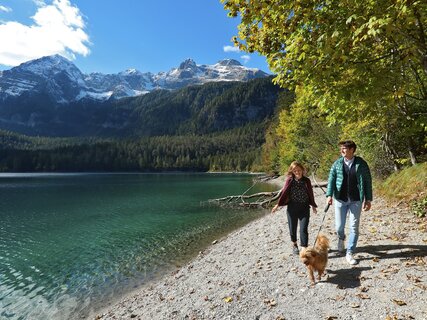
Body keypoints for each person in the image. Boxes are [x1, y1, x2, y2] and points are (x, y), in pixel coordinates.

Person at [326, 140, 373, 265]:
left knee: (354, 227)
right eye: (341, 148)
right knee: (339, 227)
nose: (342, 150)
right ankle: (341, 237)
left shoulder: (361, 164)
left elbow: (368, 182)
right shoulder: (337, 163)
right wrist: (329, 195)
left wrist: (368, 199)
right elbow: (331, 179)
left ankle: (350, 252)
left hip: (356, 200)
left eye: (344, 148)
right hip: (340, 199)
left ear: (352, 150)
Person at [272, 161, 318, 255]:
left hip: (304, 208)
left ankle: (304, 248)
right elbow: (284, 192)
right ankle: (294, 244)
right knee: (292, 228)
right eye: (295, 170)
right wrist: (278, 204)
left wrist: (313, 205)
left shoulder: (306, 181)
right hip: (292, 208)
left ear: (302, 169)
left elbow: (310, 194)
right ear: (292, 171)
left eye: (299, 170)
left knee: (303, 229)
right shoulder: (290, 180)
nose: (297, 172)